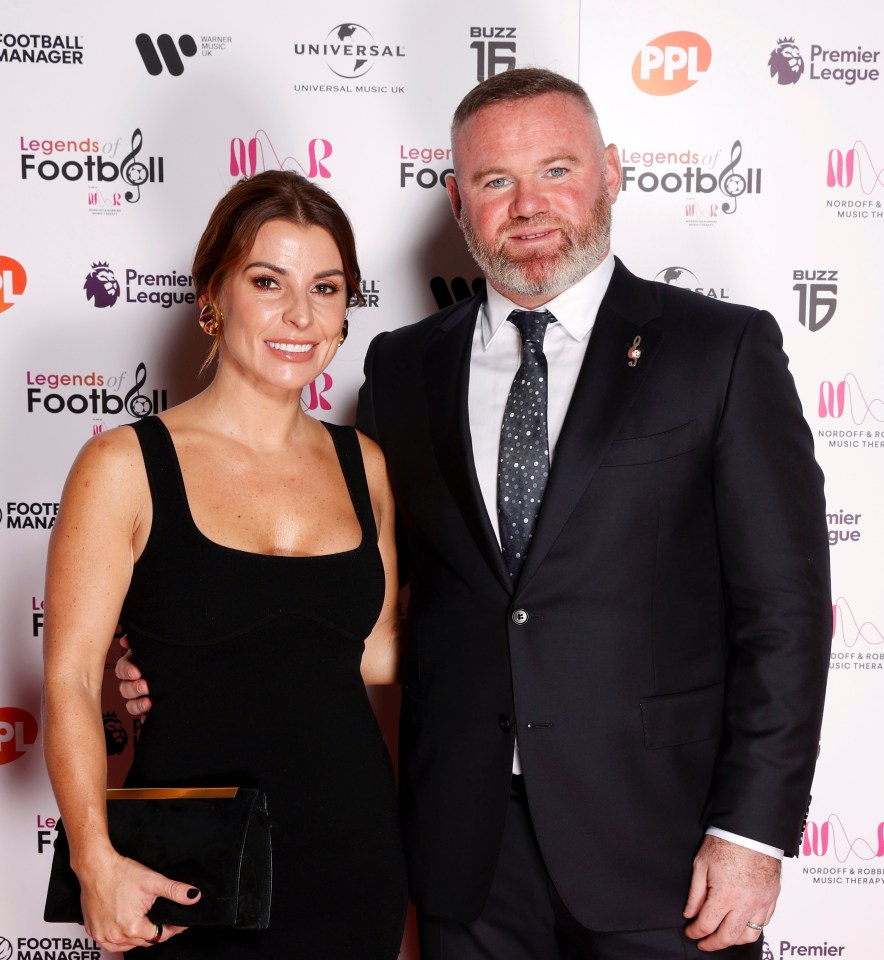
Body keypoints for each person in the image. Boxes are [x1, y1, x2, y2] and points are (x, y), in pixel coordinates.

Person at [120, 69, 831, 959]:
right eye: (496, 181)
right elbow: (345, 603)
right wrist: (175, 657)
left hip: (670, 850)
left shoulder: (719, 351)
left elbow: (786, 615)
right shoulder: (405, 370)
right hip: (466, 856)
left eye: (557, 170)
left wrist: (753, 837)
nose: (527, 206)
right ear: (458, 200)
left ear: (611, 172)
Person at [43, 170, 408, 958]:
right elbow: (70, 680)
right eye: (267, 281)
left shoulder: (364, 463)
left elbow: (377, 655)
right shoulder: (122, 465)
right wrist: (93, 857)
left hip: (355, 857)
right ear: (214, 293)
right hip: (187, 872)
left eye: (327, 287)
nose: (300, 315)